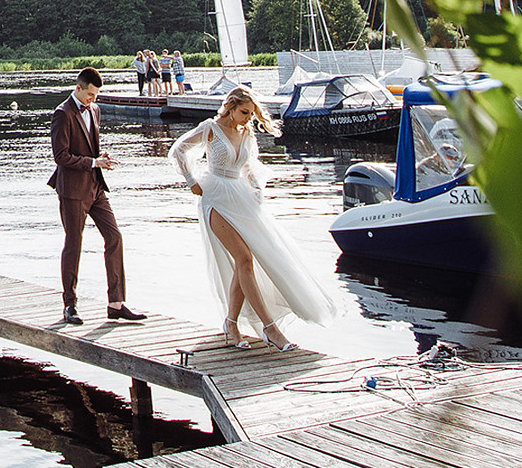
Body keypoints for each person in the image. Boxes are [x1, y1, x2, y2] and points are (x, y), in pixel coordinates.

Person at [171, 86, 343, 349]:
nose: (247, 118)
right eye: (243, 112)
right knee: (244, 258)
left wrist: (256, 189)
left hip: (240, 197)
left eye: (251, 114)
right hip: (215, 196)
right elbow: (179, 150)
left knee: (247, 262)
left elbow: (250, 165)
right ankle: (269, 328)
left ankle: (230, 323)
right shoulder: (210, 128)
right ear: (230, 107)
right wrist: (191, 180)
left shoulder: (247, 132)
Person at [49, 66, 147, 325]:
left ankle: (116, 303)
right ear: (78, 88)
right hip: (72, 189)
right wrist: (93, 163)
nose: (93, 99)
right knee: (74, 244)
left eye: (96, 95)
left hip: (96, 187)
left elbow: (91, 148)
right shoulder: (62, 114)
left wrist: (100, 159)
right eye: (90, 94)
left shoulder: (95, 109)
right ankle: (69, 305)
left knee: (114, 236)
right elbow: (60, 156)